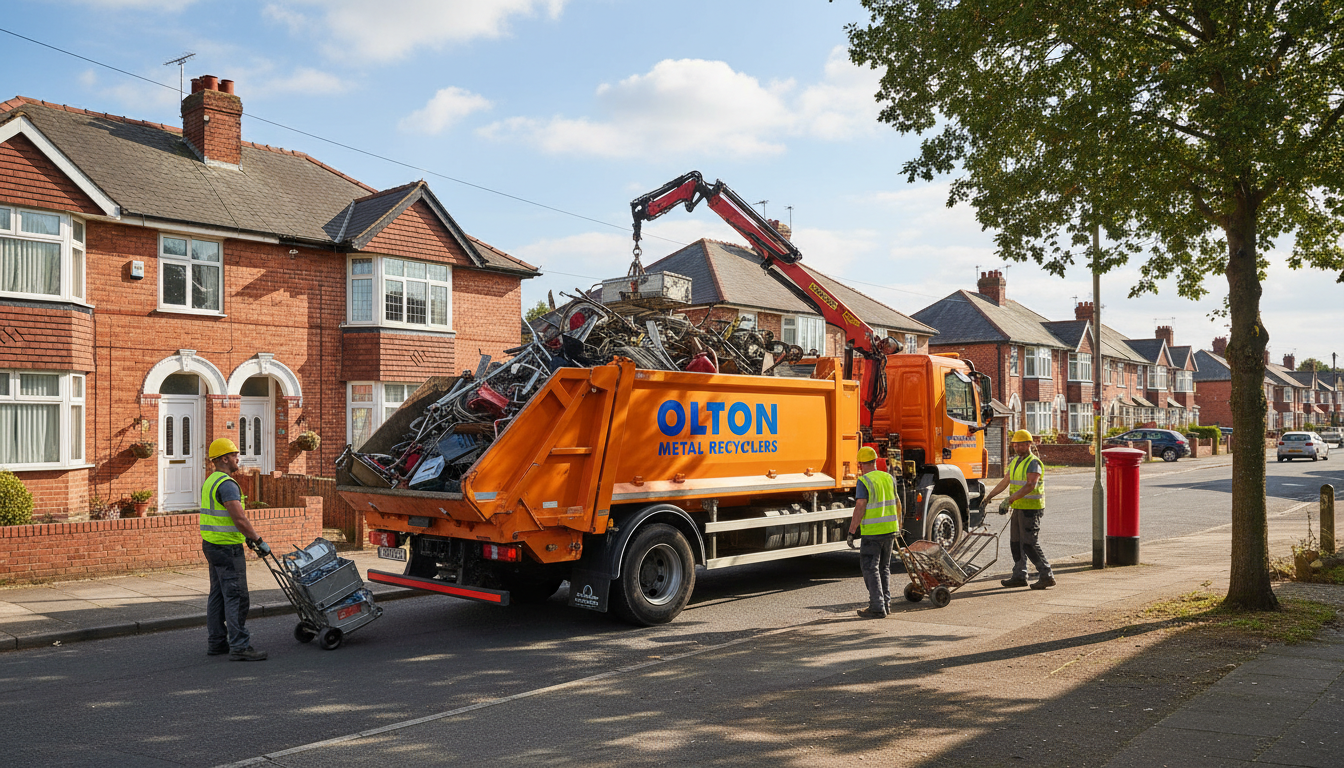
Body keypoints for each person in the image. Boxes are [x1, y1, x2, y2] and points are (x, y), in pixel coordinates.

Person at [201, 437, 270, 661]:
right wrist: (258, 540)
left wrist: (246, 537)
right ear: (224, 458)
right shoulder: (227, 484)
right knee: (237, 597)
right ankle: (240, 646)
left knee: (218, 595)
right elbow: (239, 519)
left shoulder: (211, 480)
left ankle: (217, 642)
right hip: (227, 549)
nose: (238, 459)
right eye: (235, 455)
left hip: (212, 545)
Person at [983, 429, 1056, 590]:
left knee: (1029, 543)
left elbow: (1031, 485)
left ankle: (1046, 575)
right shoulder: (1016, 461)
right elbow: (1005, 481)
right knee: (1016, 543)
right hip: (1018, 508)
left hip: (1030, 509)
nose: (1017, 448)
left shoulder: (1033, 462)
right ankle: (1019, 575)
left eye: (1020, 445)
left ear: (1029, 444)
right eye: (1015, 445)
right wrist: (989, 497)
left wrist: (1009, 500)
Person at [848, 446, 901, 618]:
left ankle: (877, 606)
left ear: (861, 464)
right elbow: (898, 502)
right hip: (890, 530)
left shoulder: (864, 481)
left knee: (870, 567)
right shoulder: (888, 478)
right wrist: (898, 525)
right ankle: (886, 603)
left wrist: (852, 530)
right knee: (884, 567)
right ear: (875, 461)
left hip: (873, 532)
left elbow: (860, 506)